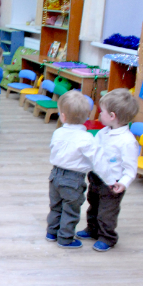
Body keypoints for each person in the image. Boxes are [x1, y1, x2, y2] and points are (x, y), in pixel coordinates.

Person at [76, 89, 140, 252]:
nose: (99, 114)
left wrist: (123, 183)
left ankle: (107, 237)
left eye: (101, 111)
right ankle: (92, 229)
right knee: (93, 205)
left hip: (113, 184)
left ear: (112, 116)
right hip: (96, 178)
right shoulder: (103, 132)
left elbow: (130, 169)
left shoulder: (127, 142)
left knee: (107, 212)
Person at [45, 91, 97, 249]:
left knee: (56, 206)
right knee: (70, 210)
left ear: (63, 116)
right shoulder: (87, 138)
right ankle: (65, 238)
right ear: (87, 116)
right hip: (74, 179)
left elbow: (53, 148)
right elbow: (94, 159)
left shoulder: (58, 132)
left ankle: (51, 232)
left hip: (55, 175)